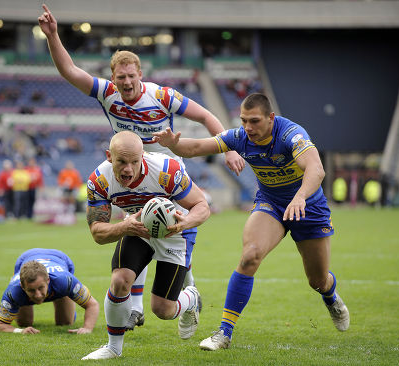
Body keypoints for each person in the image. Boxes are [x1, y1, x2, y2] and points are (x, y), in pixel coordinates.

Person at [38, 3, 245, 330]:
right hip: (129, 173)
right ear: (113, 78)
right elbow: (69, 71)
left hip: (166, 176)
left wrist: (227, 147)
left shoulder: (162, 96)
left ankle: (183, 293)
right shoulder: (107, 94)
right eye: (120, 78)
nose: (126, 83)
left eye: (131, 77)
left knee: (173, 230)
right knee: (137, 228)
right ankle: (136, 307)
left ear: (140, 76)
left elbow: (205, 115)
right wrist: (52, 35)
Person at [153, 93, 350, 350]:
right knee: (250, 256)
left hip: (308, 207)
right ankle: (224, 332)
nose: (248, 127)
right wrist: (173, 145)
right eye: (244, 120)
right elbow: (197, 148)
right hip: (271, 203)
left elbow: (316, 169)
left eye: (254, 121)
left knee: (317, 280)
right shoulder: (240, 137)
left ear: (271, 118)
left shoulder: (291, 134)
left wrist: (301, 197)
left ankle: (330, 296)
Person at [81, 131, 210, 360]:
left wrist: (185, 222)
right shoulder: (99, 180)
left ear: (144, 156)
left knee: (162, 309)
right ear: (109, 156)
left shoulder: (166, 171)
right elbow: (97, 233)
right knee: (120, 281)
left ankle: (191, 298)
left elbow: (202, 206)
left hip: (175, 232)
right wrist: (125, 227)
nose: (128, 169)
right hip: (136, 226)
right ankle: (113, 347)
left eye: (134, 162)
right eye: (121, 161)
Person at [0, 248, 99, 334]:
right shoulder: (13, 291)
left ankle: (66, 296)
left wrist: (87, 328)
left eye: (40, 288)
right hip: (24, 258)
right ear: (22, 286)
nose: (38, 295)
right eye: (31, 290)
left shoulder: (65, 281)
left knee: (65, 322)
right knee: (24, 323)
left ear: (48, 280)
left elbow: (92, 305)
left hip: (59, 257)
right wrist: (20, 331)